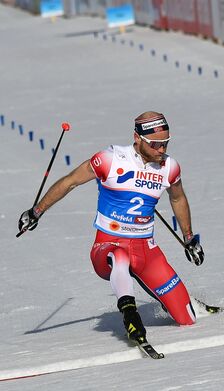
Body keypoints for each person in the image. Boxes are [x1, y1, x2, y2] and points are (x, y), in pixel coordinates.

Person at [17, 111, 204, 345]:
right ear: (138, 138)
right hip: (107, 245)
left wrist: (189, 238)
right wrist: (36, 211)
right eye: (156, 144)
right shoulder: (111, 158)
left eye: (166, 143)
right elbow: (70, 181)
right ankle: (129, 313)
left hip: (146, 249)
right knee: (120, 257)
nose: (162, 149)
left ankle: (164, 297)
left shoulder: (170, 167)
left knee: (187, 319)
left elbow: (177, 198)